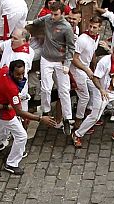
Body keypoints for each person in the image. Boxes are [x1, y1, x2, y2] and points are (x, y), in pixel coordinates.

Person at [0, 60, 56, 175]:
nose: (21, 77)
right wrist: (40, 119)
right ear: (11, 72)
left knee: (2, 132)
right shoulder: (12, 89)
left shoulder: (3, 70)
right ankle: (11, 163)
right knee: (21, 136)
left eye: (22, 73)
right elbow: (19, 112)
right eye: (18, 74)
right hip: (5, 114)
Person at [71, 42, 114, 148]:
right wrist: (102, 89)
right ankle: (77, 134)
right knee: (95, 117)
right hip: (101, 92)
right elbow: (95, 77)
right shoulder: (104, 62)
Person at [33, 1, 76, 135]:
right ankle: (46, 111)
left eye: (55, 14)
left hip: (60, 61)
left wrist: (67, 65)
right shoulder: (47, 19)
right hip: (46, 58)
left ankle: (68, 119)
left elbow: (71, 47)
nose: (52, 16)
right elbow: (35, 22)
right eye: (52, 13)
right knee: (45, 88)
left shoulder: (67, 27)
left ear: (62, 14)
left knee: (64, 90)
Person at [70, 17, 103, 129]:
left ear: (100, 28)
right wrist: (87, 69)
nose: (92, 29)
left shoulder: (96, 37)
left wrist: (94, 66)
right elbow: (74, 59)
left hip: (87, 69)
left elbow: (92, 52)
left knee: (95, 89)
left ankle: (89, 114)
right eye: (90, 26)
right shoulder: (82, 39)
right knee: (84, 97)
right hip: (77, 70)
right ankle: (78, 122)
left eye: (95, 27)